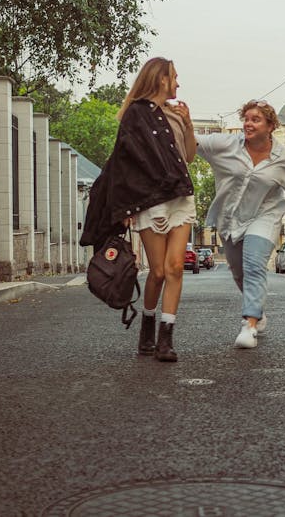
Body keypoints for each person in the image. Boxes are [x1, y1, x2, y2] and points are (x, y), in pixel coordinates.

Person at [81, 57, 196, 361]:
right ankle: (147, 325)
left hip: (181, 198)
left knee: (174, 267)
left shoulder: (174, 113)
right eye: (174, 77)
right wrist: (123, 208)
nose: (177, 83)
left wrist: (188, 123)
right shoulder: (135, 115)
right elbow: (124, 163)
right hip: (149, 202)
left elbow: (190, 156)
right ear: (160, 79)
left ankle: (166, 338)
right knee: (157, 271)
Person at [196, 100, 285, 349]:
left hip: (265, 215)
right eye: (246, 118)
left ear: (270, 126)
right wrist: (176, 119)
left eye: (256, 119)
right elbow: (193, 142)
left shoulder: (282, 157)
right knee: (238, 270)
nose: (248, 123)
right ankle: (257, 310)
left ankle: (249, 325)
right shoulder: (228, 145)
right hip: (230, 218)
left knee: (254, 264)